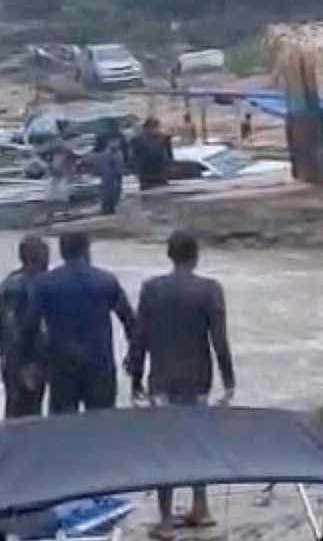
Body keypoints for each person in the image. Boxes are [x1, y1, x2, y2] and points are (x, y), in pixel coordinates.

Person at [127, 231, 235, 539]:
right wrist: (229, 381)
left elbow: (141, 337)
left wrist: (135, 376)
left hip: (161, 379)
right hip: (198, 378)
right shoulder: (210, 290)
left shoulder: (151, 289)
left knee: (165, 447)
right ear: (196, 255)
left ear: (169, 255)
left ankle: (164, 520)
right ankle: (200, 507)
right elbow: (219, 340)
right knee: (196, 442)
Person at [31, 232, 136, 414]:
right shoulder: (105, 281)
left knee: (62, 427)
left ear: (62, 252)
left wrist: (32, 362)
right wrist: (134, 356)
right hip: (99, 364)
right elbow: (130, 321)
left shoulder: (44, 284)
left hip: (62, 367)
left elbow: (30, 326)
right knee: (101, 425)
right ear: (87, 250)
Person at [0, 235, 49, 418]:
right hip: (25, 359)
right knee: (25, 410)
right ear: (39, 256)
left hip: (17, 358)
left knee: (18, 409)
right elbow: (12, 325)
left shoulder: (9, 282)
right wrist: (26, 362)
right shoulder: (25, 284)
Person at [131, 118, 174, 191]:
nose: (155, 129)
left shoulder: (163, 138)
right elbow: (134, 155)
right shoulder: (138, 139)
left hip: (155, 171)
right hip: (151, 171)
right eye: (155, 126)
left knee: (156, 192)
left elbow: (169, 154)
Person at [100, 138, 124, 216]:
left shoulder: (119, 153)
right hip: (109, 177)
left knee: (116, 191)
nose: (115, 144)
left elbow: (120, 165)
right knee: (108, 192)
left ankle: (112, 207)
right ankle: (106, 207)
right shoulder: (107, 154)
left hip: (116, 176)